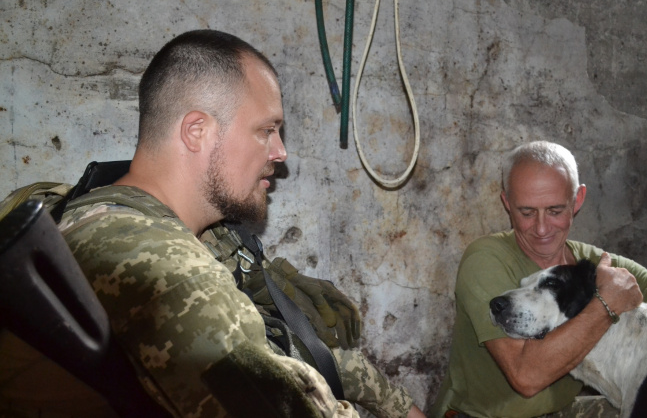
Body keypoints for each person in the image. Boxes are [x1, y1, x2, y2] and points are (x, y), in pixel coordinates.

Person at [2, 30, 425, 417]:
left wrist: (401, 407)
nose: (281, 152)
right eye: (267, 130)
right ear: (197, 131)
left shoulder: (145, 220)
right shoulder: (166, 268)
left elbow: (284, 344)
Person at [430, 140, 647, 418]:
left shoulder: (596, 267)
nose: (541, 229)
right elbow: (526, 376)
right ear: (506, 204)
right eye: (527, 212)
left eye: (555, 210)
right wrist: (606, 303)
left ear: (577, 201)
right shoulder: (485, 258)